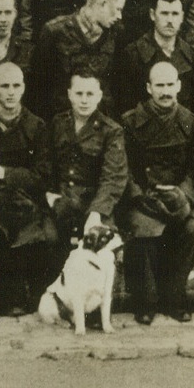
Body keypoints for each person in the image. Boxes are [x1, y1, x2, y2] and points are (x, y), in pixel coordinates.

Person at [118, 62, 194, 325]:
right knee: (144, 227)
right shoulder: (130, 122)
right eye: (160, 85)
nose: (165, 91)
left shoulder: (191, 122)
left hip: (177, 198)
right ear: (149, 88)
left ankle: (174, 296)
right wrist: (141, 196)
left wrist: (184, 195)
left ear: (178, 86)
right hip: (144, 199)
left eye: (170, 85)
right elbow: (124, 169)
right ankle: (145, 300)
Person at [0, 63, 54, 316]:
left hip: (24, 200)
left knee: (30, 230)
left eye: (16, 86)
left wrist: (5, 174)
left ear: (23, 88)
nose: (10, 92)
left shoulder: (36, 126)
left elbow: (42, 176)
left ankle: (16, 297)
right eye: (5, 86)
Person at [45, 72, 129, 264]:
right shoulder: (58, 124)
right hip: (61, 202)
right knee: (46, 240)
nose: (84, 100)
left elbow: (113, 177)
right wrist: (48, 194)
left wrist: (96, 213)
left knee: (101, 252)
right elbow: (45, 164)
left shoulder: (112, 131)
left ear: (99, 96)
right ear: (69, 95)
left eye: (90, 94)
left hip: (93, 203)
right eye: (79, 93)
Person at [28, 0, 124, 119]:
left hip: (100, 124)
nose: (120, 16)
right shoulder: (55, 31)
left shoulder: (116, 33)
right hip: (62, 121)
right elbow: (38, 85)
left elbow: (115, 85)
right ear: (103, 3)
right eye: (118, 9)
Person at [116, 0, 194, 112]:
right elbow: (124, 106)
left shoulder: (190, 55)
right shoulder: (133, 54)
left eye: (175, 14)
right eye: (164, 13)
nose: (170, 20)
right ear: (152, 15)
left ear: (182, 17)